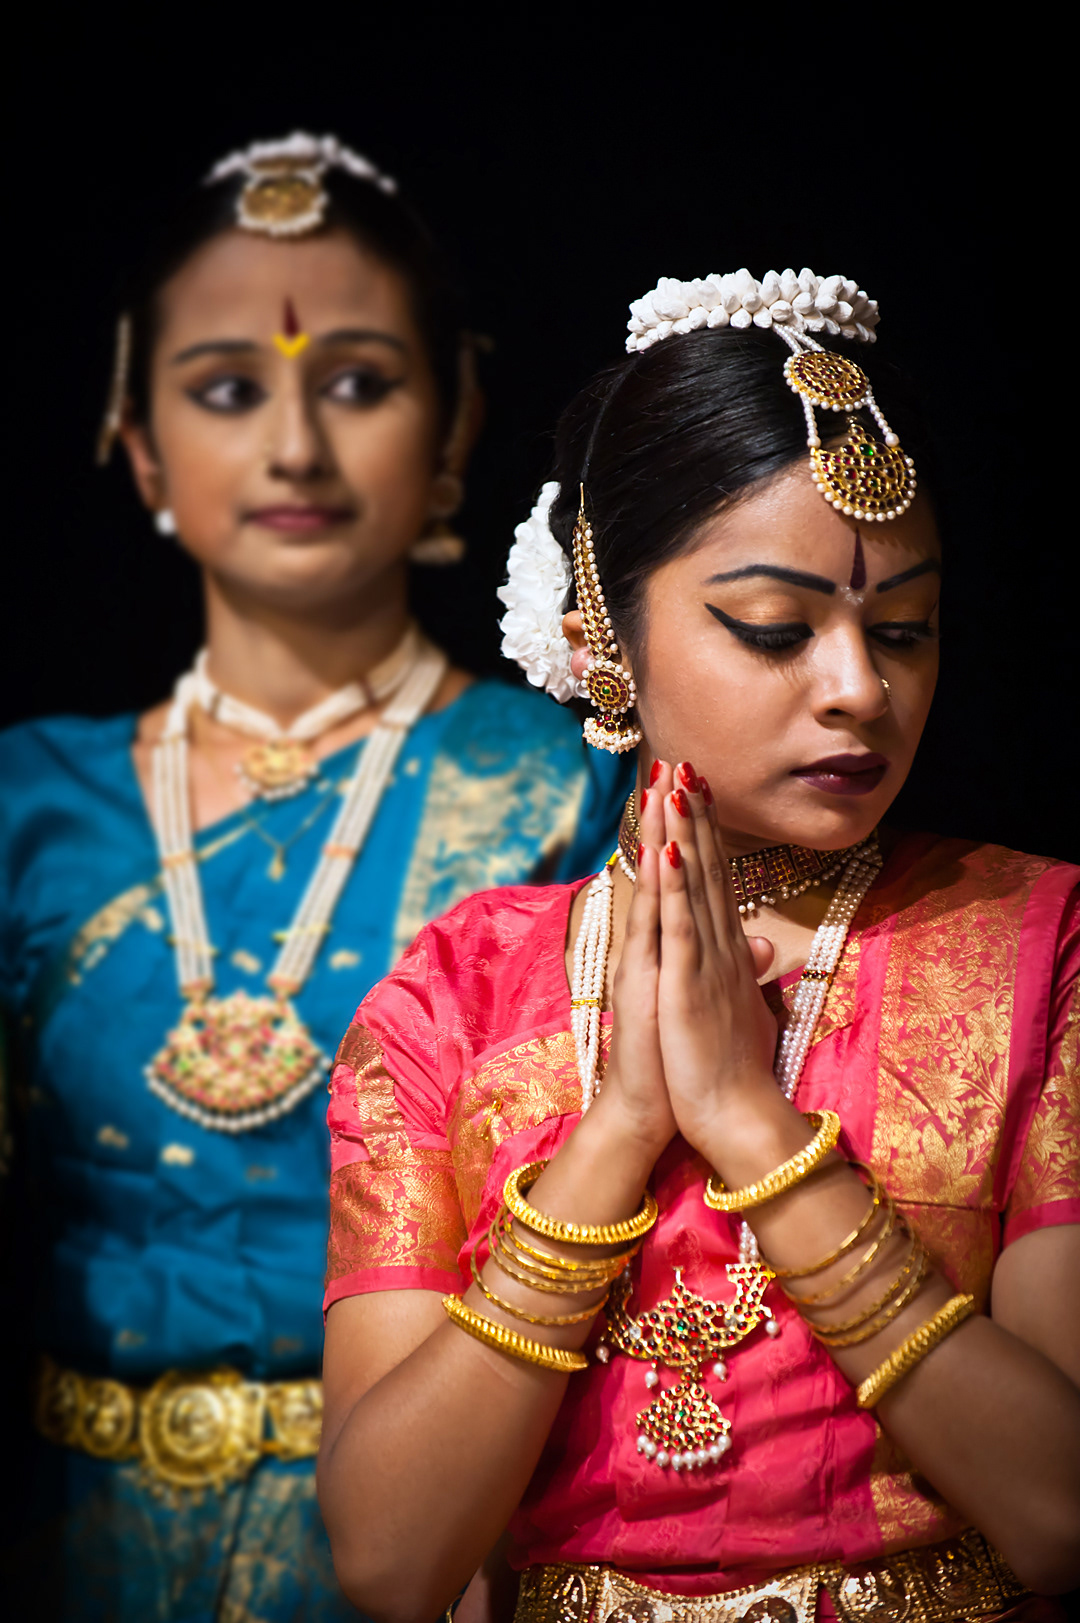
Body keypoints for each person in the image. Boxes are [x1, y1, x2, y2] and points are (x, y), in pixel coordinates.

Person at [318, 267, 1080, 1623]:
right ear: (600, 627)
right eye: (774, 628)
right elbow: (389, 1563)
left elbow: (1063, 1513)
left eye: (904, 629)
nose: (861, 687)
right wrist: (615, 1132)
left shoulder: (1032, 946)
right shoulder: (455, 996)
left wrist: (753, 1133)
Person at [0, 132, 630, 1621]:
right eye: (227, 389)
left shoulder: (573, 782)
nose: (295, 445)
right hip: (64, 1544)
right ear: (139, 438)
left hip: (437, 1547)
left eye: (356, 380)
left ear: (457, 415)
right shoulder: (32, 801)